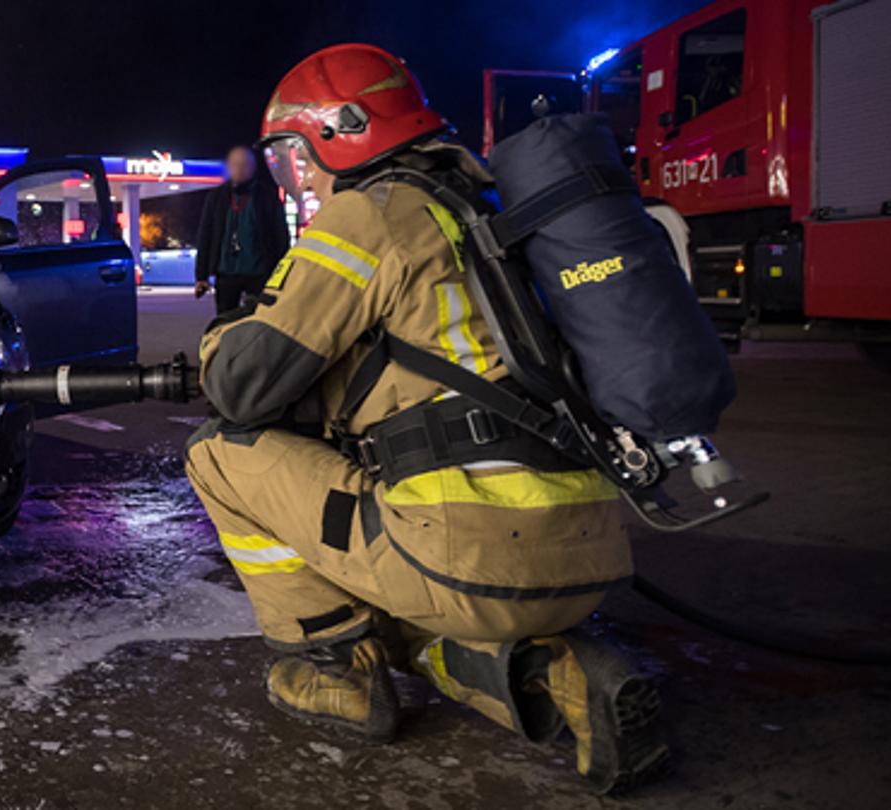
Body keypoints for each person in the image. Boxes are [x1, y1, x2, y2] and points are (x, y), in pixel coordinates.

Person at [182, 44, 666, 794]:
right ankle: (562, 679)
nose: (300, 175)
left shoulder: (370, 214)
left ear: (340, 131)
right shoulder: (491, 202)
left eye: (297, 155)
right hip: (590, 551)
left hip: (467, 553)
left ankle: (338, 669)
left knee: (218, 452)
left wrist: (219, 338)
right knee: (412, 573)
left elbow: (242, 386)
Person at [194, 145, 289, 314]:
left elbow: (281, 236)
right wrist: (201, 276)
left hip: (259, 273)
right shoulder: (216, 197)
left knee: (259, 320)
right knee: (224, 320)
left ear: (253, 168)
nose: (240, 169)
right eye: (236, 164)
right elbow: (205, 235)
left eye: (245, 165)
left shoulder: (267, 196)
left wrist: (280, 275)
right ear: (229, 167)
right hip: (226, 272)